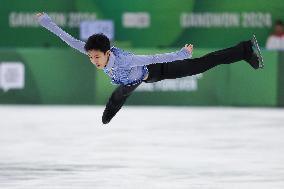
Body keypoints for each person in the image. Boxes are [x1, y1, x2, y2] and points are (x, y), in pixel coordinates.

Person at [36, 12, 263, 124]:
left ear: (107, 53)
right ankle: (110, 112)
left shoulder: (125, 60)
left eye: (97, 57)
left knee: (202, 64)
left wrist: (180, 55)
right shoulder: (91, 51)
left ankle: (244, 50)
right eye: (91, 57)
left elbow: (152, 58)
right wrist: (46, 21)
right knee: (119, 95)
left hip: (157, 70)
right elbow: (66, 38)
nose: (94, 61)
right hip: (131, 81)